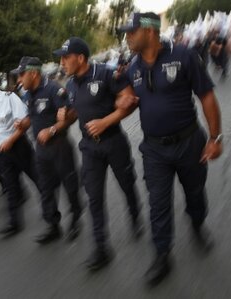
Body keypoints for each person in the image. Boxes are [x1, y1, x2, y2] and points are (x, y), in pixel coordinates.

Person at [118, 12, 223, 286]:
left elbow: (207, 97)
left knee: (195, 193)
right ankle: (162, 255)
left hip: (189, 143)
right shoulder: (133, 67)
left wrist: (215, 138)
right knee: (158, 203)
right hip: (154, 150)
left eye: (132, 31)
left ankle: (198, 224)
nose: (127, 36)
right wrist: (125, 97)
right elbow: (127, 94)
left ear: (150, 32)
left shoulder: (184, 56)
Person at [53, 37, 143, 271]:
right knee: (94, 197)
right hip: (90, 148)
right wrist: (66, 118)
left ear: (80, 57)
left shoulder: (106, 74)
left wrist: (106, 121)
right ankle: (102, 248)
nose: (61, 62)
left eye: (65, 57)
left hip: (114, 142)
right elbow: (74, 115)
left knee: (127, 184)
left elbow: (130, 102)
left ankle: (135, 214)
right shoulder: (71, 85)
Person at [11, 56, 83, 243]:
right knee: (45, 189)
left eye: (21, 75)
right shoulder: (28, 94)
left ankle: (75, 218)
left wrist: (52, 130)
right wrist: (23, 123)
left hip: (60, 148)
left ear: (33, 73)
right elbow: (33, 117)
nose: (19, 79)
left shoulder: (54, 90)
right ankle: (53, 225)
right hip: (41, 151)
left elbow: (70, 117)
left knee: (70, 186)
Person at [0, 71, 39, 234]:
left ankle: (51, 215)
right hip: (3, 152)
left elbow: (25, 121)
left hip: (19, 147)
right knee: (10, 187)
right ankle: (14, 223)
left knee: (38, 179)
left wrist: (10, 139)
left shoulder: (10, 98)